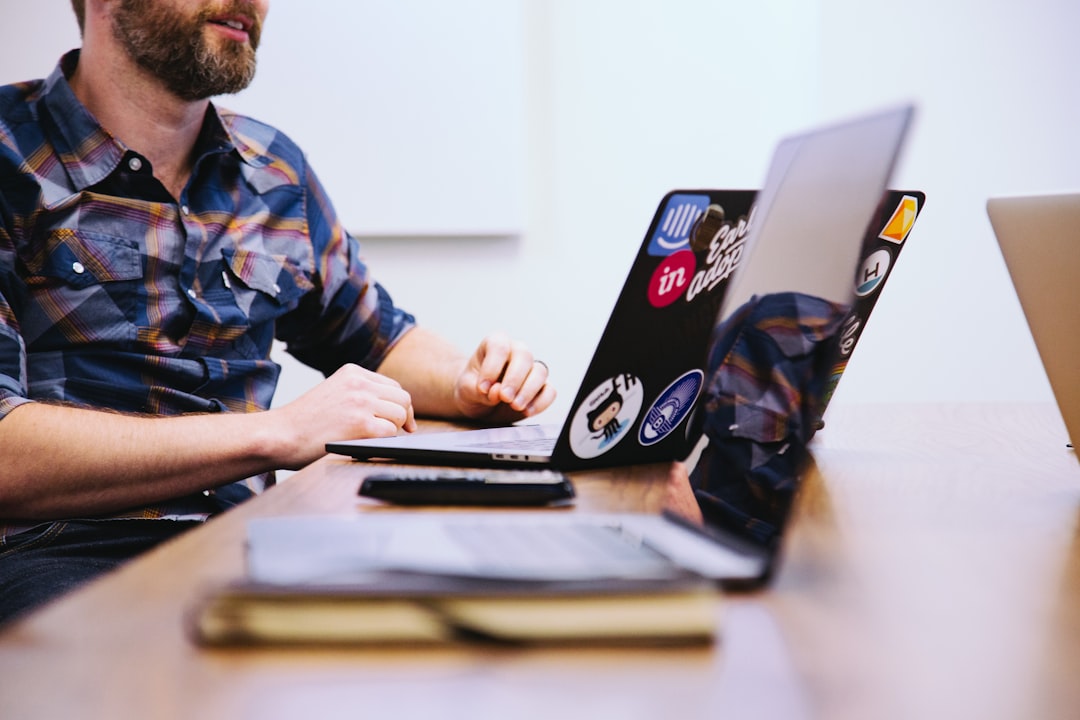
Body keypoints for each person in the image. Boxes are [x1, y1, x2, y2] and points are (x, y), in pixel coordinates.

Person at [0, 0, 555, 623]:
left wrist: (468, 379)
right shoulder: (7, 154)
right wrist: (278, 434)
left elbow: (375, 338)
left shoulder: (274, 170)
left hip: (254, 541)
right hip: (62, 554)